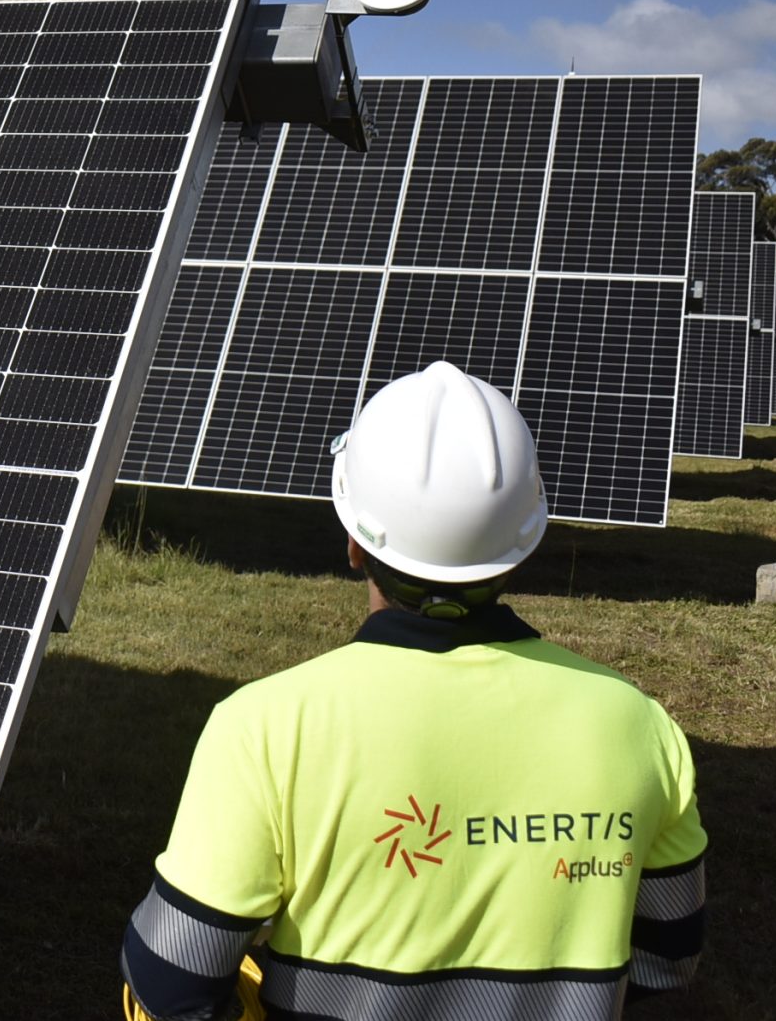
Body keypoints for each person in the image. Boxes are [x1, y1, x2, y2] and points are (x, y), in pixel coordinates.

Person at [120, 361, 707, 1020]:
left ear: (353, 541)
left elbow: (169, 982)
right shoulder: (638, 725)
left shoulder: (263, 728)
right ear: (521, 544)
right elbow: (667, 961)